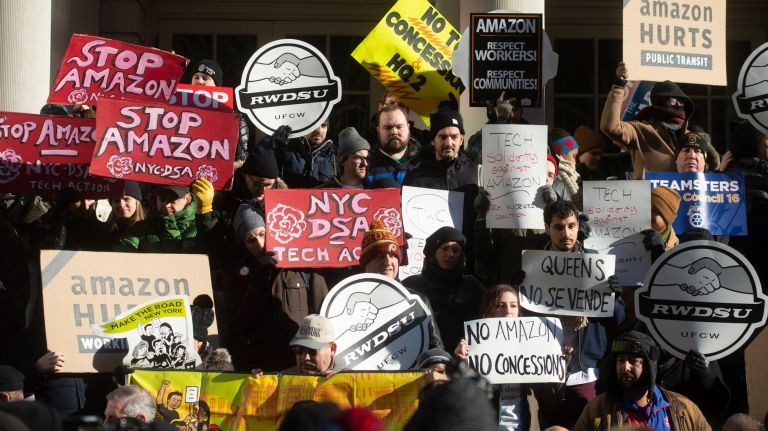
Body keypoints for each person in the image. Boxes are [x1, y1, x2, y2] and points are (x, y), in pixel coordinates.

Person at [530, 200, 624, 429]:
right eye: (559, 227)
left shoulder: (595, 263)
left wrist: (614, 297)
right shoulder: (532, 266)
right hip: (548, 371)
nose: (566, 233)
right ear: (546, 228)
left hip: (586, 371)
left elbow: (617, 320)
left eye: (571, 226)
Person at [572, 330, 710, 431]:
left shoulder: (685, 409)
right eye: (621, 360)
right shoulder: (597, 409)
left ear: (649, 367)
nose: (625, 367)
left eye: (633, 361)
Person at [403, 109, 479, 256]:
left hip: (469, 258)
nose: (448, 142)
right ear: (433, 140)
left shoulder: (477, 173)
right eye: (442, 137)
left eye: (454, 137)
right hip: (426, 259)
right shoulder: (416, 177)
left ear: (461, 139)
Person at [600, 62, 695, 179]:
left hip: (685, 196)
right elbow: (610, 127)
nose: (679, 105)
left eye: (682, 101)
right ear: (660, 101)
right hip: (649, 196)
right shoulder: (639, 130)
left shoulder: (690, 137)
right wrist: (619, 86)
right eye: (673, 100)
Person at [358, 220, 443, 349]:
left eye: (393, 256)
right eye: (380, 256)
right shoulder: (349, 301)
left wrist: (439, 361)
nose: (388, 261)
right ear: (366, 264)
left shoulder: (418, 300)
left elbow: (436, 348)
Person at [402, 226, 484, 351]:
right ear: (432, 251)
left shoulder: (471, 285)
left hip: (464, 360)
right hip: (425, 361)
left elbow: (493, 308)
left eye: (456, 250)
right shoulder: (412, 285)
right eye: (444, 248)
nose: (450, 254)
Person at [118, 179, 222, 254]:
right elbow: (122, 258)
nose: (166, 205)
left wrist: (206, 215)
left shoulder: (201, 226)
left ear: (187, 198)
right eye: (162, 199)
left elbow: (219, 256)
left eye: (172, 199)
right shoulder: (139, 230)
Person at [189, 59, 249, 164]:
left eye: (205, 78)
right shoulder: (178, 110)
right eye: (196, 77)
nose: (200, 81)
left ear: (216, 85)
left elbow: (242, 158)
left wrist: (227, 127)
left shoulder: (232, 115)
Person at [252, 314, 338, 377]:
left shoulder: (347, 381)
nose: (305, 358)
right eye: (299, 350)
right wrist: (257, 382)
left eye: (312, 351)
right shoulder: (284, 378)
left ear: (332, 349)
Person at [269, 121, 337, 188]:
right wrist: (277, 150)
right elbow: (271, 177)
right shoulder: (288, 149)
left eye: (323, 125)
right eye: (313, 124)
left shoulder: (334, 152)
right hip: (291, 198)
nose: (318, 130)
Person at [366, 103, 421, 184]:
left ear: (408, 127)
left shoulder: (425, 162)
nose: (394, 132)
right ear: (378, 130)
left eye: (399, 127)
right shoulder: (366, 165)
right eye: (387, 128)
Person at [104, 181, 146, 246]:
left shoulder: (149, 232)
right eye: (116, 200)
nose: (121, 205)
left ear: (137, 202)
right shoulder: (104, 232)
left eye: (126, 199)